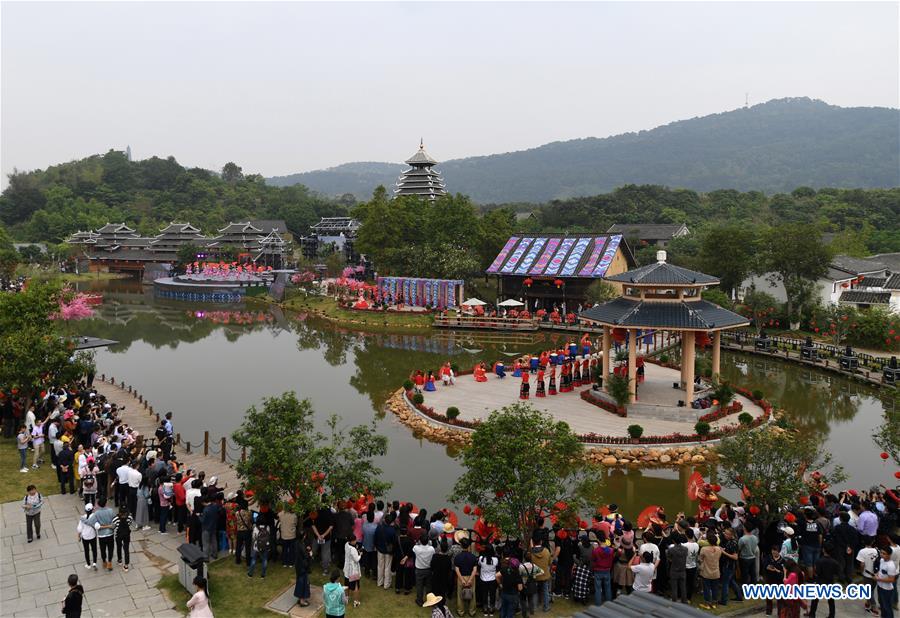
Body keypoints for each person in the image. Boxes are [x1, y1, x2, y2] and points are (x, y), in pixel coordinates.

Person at [808, 543, 839, 618]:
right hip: (830, 583)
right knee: (831, 601)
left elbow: (817, 572)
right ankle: (831, 615)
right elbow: (836, 573)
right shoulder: (835, 562)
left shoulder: (819, 561)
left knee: (815, 600)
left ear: (823, 550)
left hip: (820, 582)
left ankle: (812, 614)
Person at [88, 497, 115, 571]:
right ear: (106, 503)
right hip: (110, 533)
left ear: (98, 504)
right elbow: (114, 521)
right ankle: (109, 562)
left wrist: (97, 525)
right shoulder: (111, 511)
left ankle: (104, 561)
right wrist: (109, 526)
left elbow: (90, 522)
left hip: (101, 534)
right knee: (110, 549)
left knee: (102, 549)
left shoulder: (96, 513)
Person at [453, 537, 478, 617]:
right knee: (472, 594)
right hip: (471, 577)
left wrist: (462, 580)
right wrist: (470, 580)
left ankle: (461, 611)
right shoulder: (473, 557)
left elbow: (457, 570)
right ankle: (472, 611)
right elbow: (474, 570)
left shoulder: (458, 557)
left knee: (460, 595)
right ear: (469, 546)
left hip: (461, 577)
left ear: (461, 546)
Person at [698, 531, 722, 610]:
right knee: (715, 588)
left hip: (706, 571)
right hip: (716, 571)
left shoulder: (704, 549)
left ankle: (708, 603)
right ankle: (714, 603)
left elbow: (700, 559)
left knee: (707, 588)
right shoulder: (719, 549)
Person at [857, 535, 880, 614]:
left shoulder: (862, 551)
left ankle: (874, 607)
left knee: (868, 591)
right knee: (871, 590)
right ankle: (868, 603)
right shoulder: (877, 551)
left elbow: (862, 564)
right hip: (876, 575)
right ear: (872, 542)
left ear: (863, 542)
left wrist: (861, 571)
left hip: (867, 574)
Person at [529, 537, 552, 612]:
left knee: (535, 591)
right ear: (541, 541)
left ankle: (534, 607)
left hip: (535, 575)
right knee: (545, 591)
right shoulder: (546, 551)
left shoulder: (531, 552)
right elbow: (549, 563)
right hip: (545, 575)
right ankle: (546, 607)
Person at [590, 533, 614, 605]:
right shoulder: (611, 550)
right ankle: (609, 602)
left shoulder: (596, 551)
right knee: (607, 588)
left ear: (598, 540)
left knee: (598, 588)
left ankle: (598, 604)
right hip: (607, 570)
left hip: (598, 571)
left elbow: (593, 560)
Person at [876, 546, 899, 618]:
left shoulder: (891, 566)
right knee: (882, 604)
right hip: (880, 586)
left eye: (884, 553)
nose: (881, 554)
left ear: (889, 555)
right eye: (881, 553)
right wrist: (877, 574)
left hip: (887, 590)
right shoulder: (882, 560)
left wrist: (878, 579)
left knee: (887, 607)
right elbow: (881, 571)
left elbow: (892, 579)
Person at [414, 534, 435, 606]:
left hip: (419, 569)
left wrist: (418, 542)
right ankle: (429, 600)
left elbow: (415, 546)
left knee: (419, 586)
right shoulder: (431, 549)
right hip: (428, 569)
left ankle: (419, 600)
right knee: (428, 586)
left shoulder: (416, 548)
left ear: (420, 541)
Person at [477, 543, 498, 616]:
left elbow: (479, 565)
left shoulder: (481, 559)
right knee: (492, 594)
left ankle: (485, 609)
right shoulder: (495, 560)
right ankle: (492, 609)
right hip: (492, 580)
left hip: (483, 580)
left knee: (484, 594)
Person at [667, 533, 688, 604]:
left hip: (674, 570)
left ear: (673, 541)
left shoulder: (671, 549)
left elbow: (669, 558)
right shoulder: (685, 549)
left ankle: (674, 601)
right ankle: (684, 600)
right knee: (683, 587)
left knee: (674, 587)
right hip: (682, 570)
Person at [76, 503, 98, 569]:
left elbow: (79, 529)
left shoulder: (82, 518)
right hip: (92, 535)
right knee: (94, 549)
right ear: (92, 510)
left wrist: (78, 536)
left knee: (86, 550)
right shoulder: (94, 516)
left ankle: (88, 564)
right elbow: (97, 526)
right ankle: (94, 562)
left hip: (85, 537)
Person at [113, 505, 134, 571]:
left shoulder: (115, 518)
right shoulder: (129, 517)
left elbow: (114, 525)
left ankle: (120, 560)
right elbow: (129, 523)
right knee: (126, 549)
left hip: (118, 535)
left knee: (119, 547)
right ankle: (126, 565)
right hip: (126, 535)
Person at [343, 535, 362, 607]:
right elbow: (356, 559)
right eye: (355, 540)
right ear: (352, 541)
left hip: (347, 569)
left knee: (346, 584)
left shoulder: (346, 544)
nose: (356, 541)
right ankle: (356, 602)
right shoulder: (353, 549)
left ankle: (346, 599)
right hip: (353, 571)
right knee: (356, 586)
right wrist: (360, 554)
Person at [294, 542, 312, 608]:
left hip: (298, 568)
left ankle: (299, 598)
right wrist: (310, 554)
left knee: (299, 583)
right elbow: (307, 559)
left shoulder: (297, 544)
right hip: (303, 570)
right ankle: (302, 601)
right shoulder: (302, 548)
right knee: (304, 584)